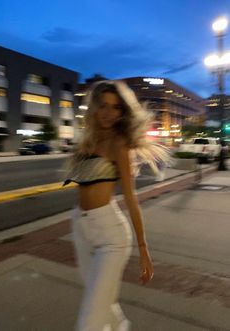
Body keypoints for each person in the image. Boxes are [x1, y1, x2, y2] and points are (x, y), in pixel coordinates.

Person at [63, 80, 169, 331]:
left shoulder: (119, 145)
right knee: (101, 305)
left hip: (111, 237)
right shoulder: (85, 142)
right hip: (82, 229)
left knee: (89, 321)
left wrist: (143, 248)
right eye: (104, 106)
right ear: (94, 108)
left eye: (116, 107)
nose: (109, 113)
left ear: (122, 112)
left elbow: (131, 199)